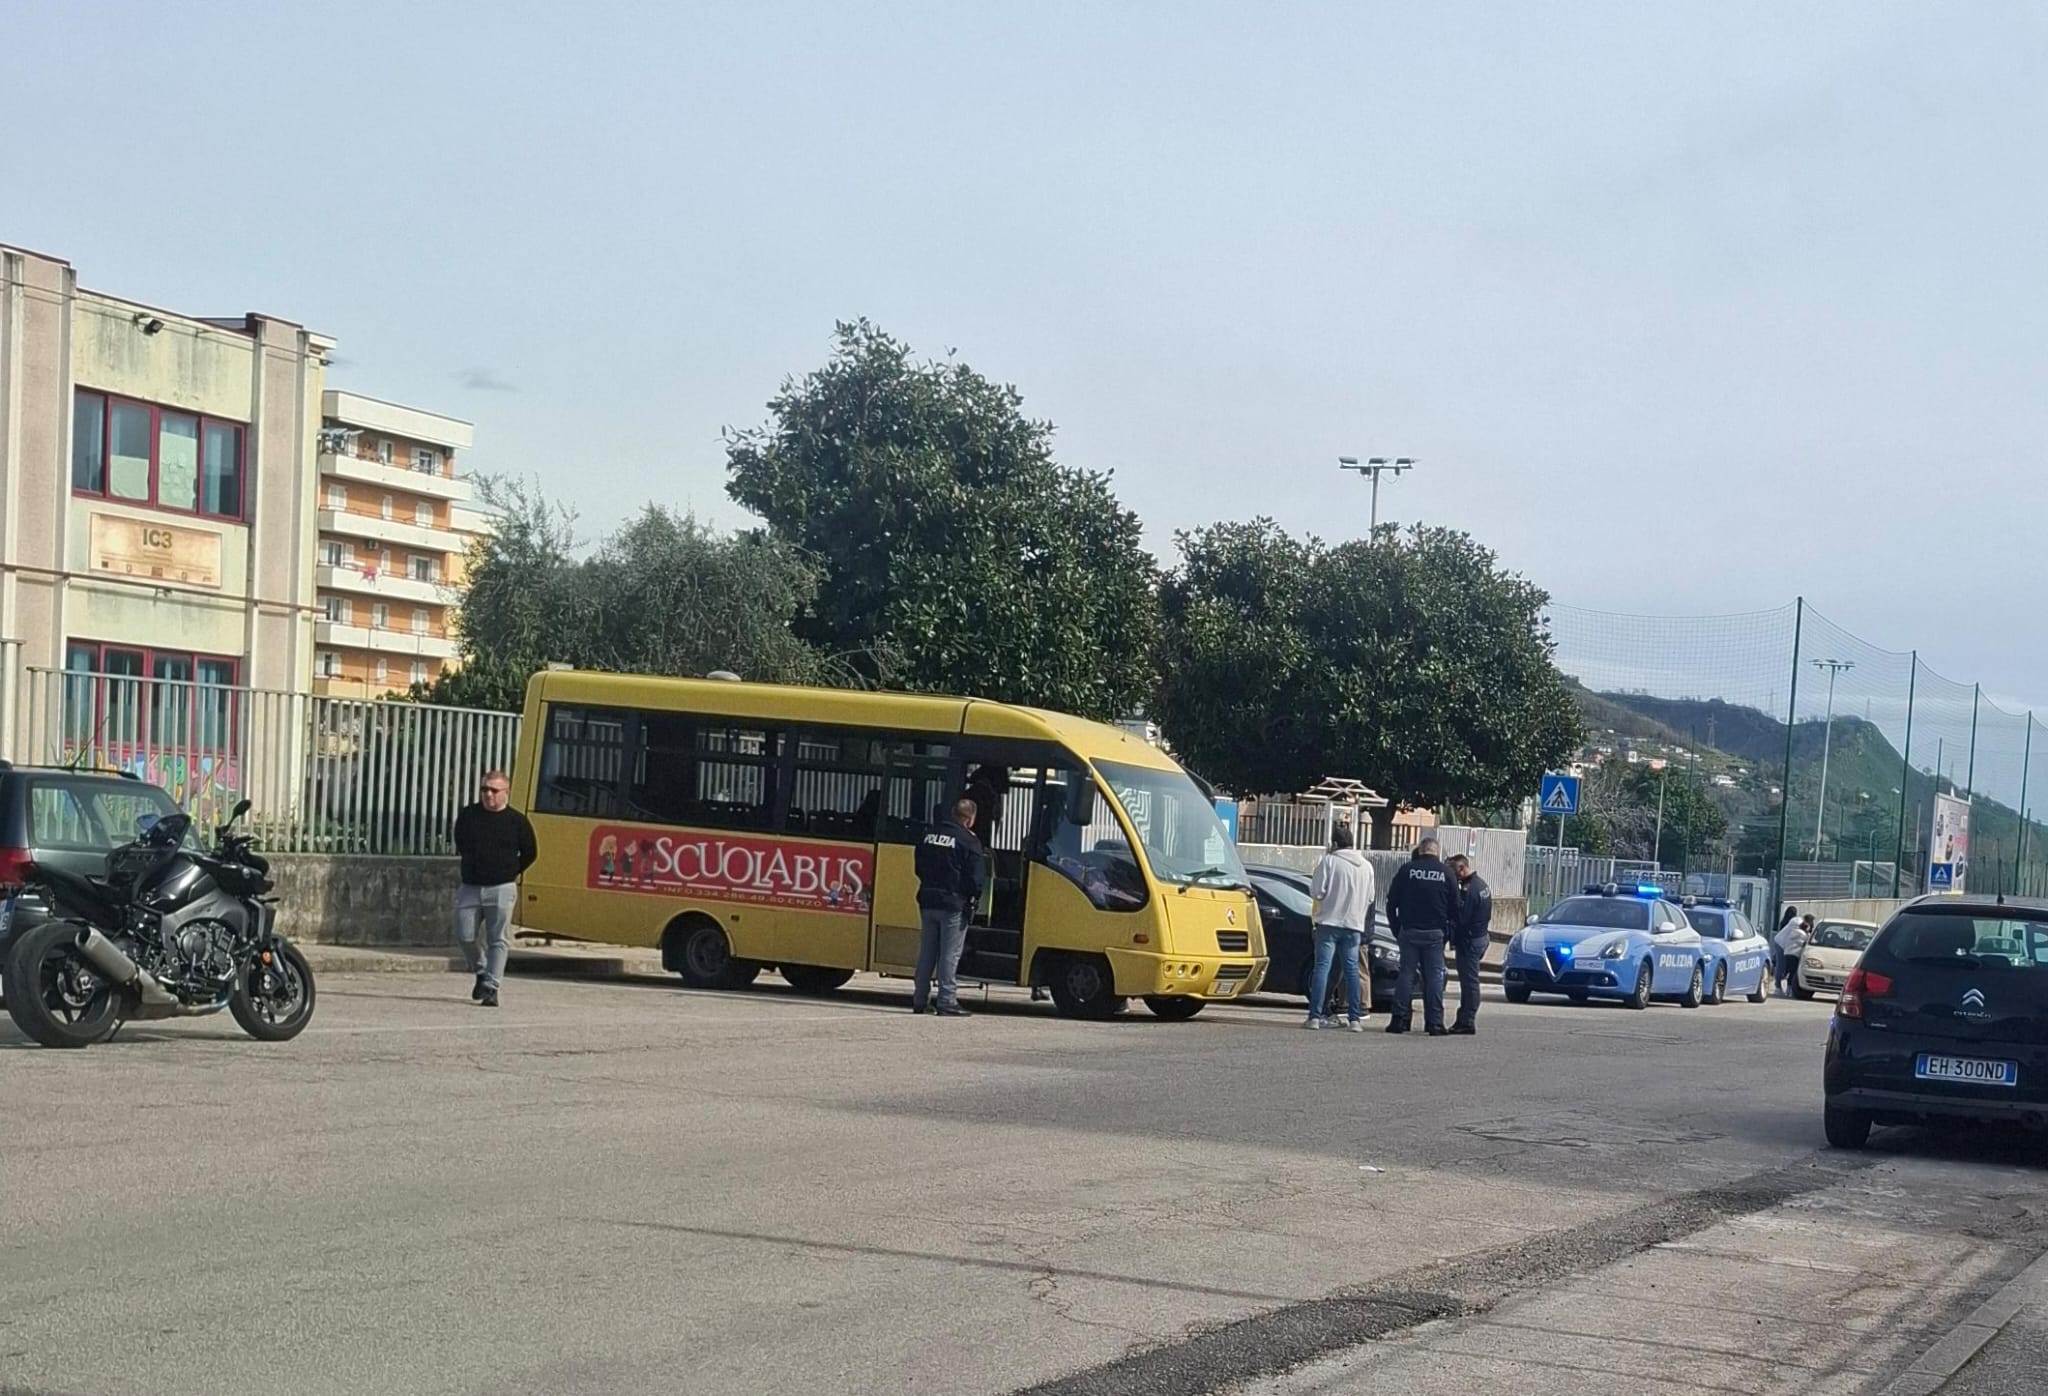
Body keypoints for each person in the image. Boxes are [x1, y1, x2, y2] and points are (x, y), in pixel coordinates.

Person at [453, 769, 537, 1009]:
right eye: (484, 789)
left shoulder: (517, 821)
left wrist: (510, 871)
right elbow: (461, 841)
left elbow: (531, 852)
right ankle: (480, 969)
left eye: (493, 790)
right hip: (471, 886)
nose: (488, 794)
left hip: (501, 887)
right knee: (464, 934)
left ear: (506, 793)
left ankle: (492, 986)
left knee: (498, 939)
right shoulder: (469, 815)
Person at [913, 797, 986, 1017]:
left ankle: (919, 1000)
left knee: (927, 952)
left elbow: (918, 867)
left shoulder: (928, 835)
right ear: (969, 819)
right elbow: (976, 878)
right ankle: (946, 1001)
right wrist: (973, 896)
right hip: (953, 904)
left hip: (928, 900)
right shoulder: (968, 840)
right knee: (949, 954)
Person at [1305, 822, 1375, 1031]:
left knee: (1322, 969)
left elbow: (1316, 891)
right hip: (1354, 925)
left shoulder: (1329, 862)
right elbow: (1370, 897)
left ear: (1334, 843)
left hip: (1328, 922)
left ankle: (1315, 1016)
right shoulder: (1366, 866)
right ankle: (1355, 1019)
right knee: (1352, 971)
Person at [1384, 837, 1457, 1036]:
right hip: (1434, 933)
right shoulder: (1446, 873)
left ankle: (1398, 1020)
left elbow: (1391, 904)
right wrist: (1447, 933)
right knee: (1433, 977)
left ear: (1421, 850)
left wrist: (1396, 929)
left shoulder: (1407, 871)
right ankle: (1434, 1023)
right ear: (1436, 851)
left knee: (1406, 975)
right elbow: (1455, 907)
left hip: (1409, 931)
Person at [1447, 854, 1493, 1036]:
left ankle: (1467, 1020)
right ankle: (1464, 1019)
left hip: (1470, 940)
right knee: (1469, 981)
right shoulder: (1481, 885)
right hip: (1481, 936)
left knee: (1469, 982)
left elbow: (1462, 918)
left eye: (1452, 870)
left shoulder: (1469, 890)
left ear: (1461, 868)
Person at [1772, 906, 1807, 996]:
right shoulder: (1796, 924)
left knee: (1783, 966)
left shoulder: (1794, 923)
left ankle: (1781, 987)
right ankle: (1778, 987)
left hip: (1785, 946)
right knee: (1781, 966)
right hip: (1780, 944)